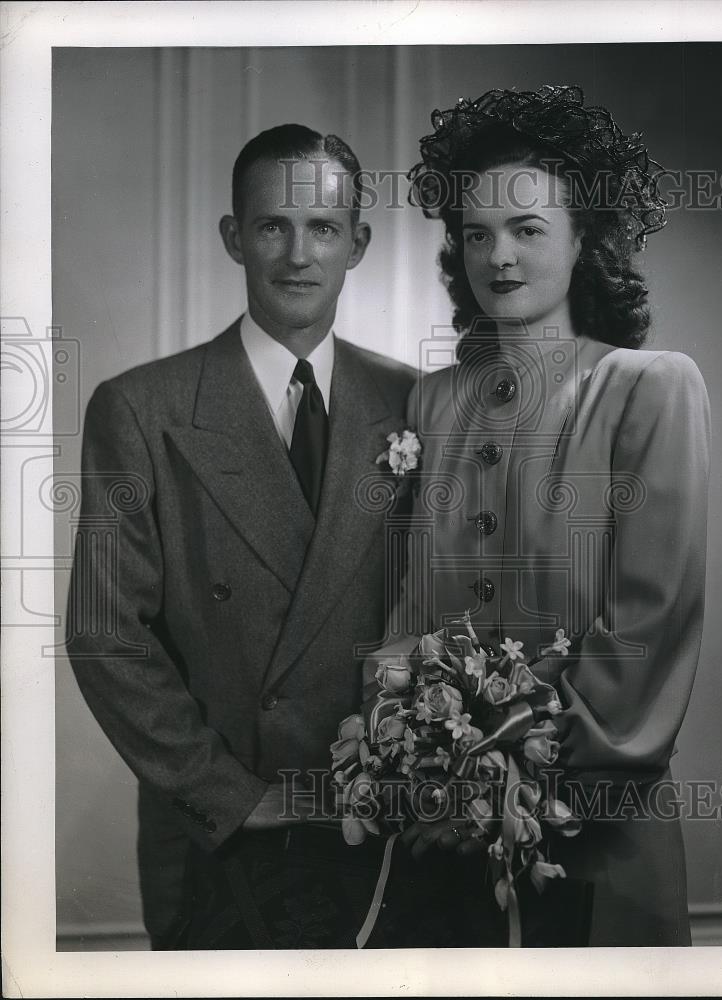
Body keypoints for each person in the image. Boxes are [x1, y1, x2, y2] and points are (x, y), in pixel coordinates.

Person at [366, 86, 711, 946]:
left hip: (587, 829)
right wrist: (413, 765)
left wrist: (500, 781)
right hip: (434, 838)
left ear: (585, 238)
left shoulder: (649, 388)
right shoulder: (433, 401)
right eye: (475, 233)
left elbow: (647, 630)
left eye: (527, 230)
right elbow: (409, 611)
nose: (499, 257)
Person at [66, 123, 416, 949]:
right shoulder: (141, 408)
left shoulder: (413, 402)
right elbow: (105, 634)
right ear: (234, 237)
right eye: (272, 226)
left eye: (323, 228)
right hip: (223, 836)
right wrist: (229, 792)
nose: (298, 254)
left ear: (356, 243)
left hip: (381, 828)